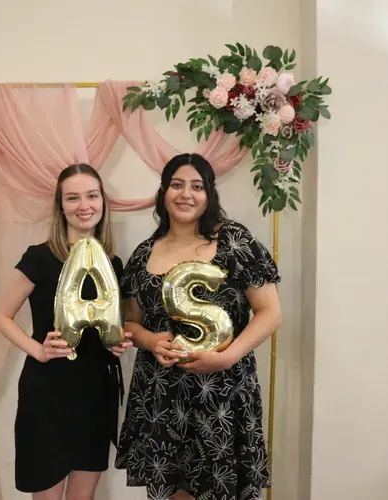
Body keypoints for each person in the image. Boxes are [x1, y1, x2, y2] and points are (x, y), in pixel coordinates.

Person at [114, 153, 282, 500]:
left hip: (223, 390)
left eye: (197, 186)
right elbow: (131, 322)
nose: (186, 195)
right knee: (174, 491)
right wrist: (151, 341)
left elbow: (269, 312)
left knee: (221, 487)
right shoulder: (144, 254)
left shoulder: (234, 241)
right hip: (162, 394)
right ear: (163, 192)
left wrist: (227, 357)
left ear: (209, 194)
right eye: (176, 185)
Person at [0, 163, 133, 500]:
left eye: (92, 196)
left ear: (103, 202)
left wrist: (117, 343)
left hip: (96, 392)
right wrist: (37, 349)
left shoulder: (112, 263)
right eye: (73, 198)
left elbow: (113, 324)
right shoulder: (39, 258)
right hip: (47, 393)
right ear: (61, 206)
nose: (84, 205)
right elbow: (1, 316)